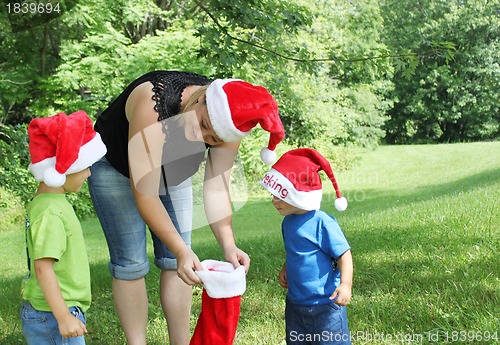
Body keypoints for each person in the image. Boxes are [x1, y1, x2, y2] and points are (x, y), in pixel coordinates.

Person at [87, 71, 285, 345]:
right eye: (202, 123)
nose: (199, 135)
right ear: (202, 97)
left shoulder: (230, 123)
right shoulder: (152, 103)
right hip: (115, 166)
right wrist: (181, 248)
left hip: (172, 170)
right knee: (130, 263)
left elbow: (217, 188)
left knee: (178, 262)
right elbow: (145, 194)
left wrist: (228, 245)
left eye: (211, 139)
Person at [21, 111, 107, 345]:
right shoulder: (50, 211)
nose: (89, 173)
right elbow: (43, 268)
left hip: (57, 311)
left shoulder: (50, 204)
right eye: (85, 166)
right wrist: (64, 317)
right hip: (54, 314)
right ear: (64, 167)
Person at [259, 148, 353, 345]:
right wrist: (286, 267)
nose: (273, 201)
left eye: (279, 196)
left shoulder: (322, 222)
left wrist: (345, 285)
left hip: (326, 304)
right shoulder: (288, 222)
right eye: (273, 195)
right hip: (296, 304)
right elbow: (295, 250)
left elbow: (344, 254)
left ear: (297, 195)